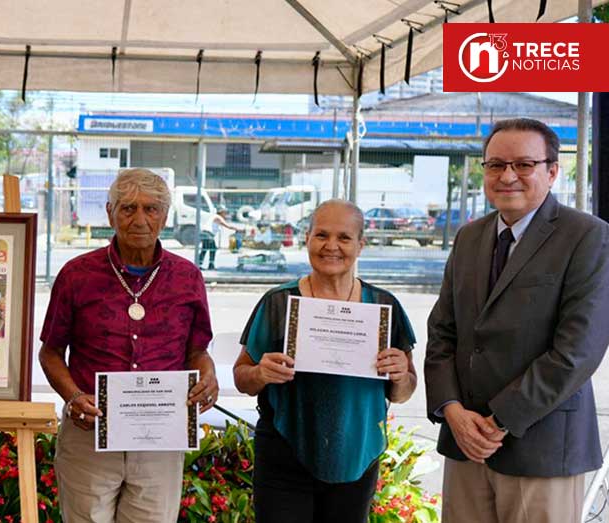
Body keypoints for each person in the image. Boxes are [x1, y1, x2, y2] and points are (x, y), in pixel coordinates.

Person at [425, 118, 609, 523]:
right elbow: (442, 331)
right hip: (464, 441)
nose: (507, 176)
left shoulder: (588, 236)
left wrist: (498, 421)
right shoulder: (469, 237)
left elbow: (577, 351)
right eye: (495, 165)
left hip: (539, 445)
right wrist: (451, 409)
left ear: (553, 171)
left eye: (524, 165)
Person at [38, 168, 219, 523]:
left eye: (151, 209)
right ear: (110, 213)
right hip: (89, 435)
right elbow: (51, 352)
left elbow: (197, 351)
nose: (140, 219)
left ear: (165, 217)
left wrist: (208, 377)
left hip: (159, 440)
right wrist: (73, 397)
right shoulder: (77, 275)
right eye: (128, 208)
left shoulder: (187, 278)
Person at [233, 199, 417, 523]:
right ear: (307, 239)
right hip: (284, 452)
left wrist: (401, 375)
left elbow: (402, 392)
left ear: (361, 245)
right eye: (321, 235)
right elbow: (241, 377)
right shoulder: (278, 303)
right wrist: (261, 373)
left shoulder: (383, 307)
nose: (331, 246)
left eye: (344, 238)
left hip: (357, 454)